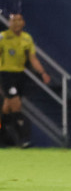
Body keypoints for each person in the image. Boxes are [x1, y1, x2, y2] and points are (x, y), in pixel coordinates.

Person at [0, 13, 51, 148]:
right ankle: (23, 139)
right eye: (13, 20)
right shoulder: (3, 37)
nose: (16, 23)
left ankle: (2, 133)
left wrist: (43, 73)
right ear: (9, 23)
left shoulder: (27, 38)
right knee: (16, 105)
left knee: (7, 108)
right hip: (6, 75)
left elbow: (32, 58)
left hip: (20, 75)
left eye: (19, 20)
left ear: (23, 23)